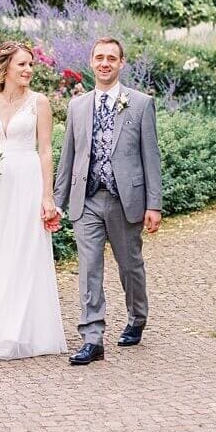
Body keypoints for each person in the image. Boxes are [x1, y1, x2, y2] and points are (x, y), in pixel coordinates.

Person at [53, 36, 163, 365]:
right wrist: (57, 201)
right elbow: (68, 157)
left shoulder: (140, 103)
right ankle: (92, 337)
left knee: (130, 267)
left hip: (124, 199)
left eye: (111, 58)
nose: (105, 63)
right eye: (99, 57)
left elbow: (151, 157)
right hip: (85, 200)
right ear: (91, 62)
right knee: (88, 269)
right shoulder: (77, 106)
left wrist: (153, 204)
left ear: (121, 63)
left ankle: (137, 317)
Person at [0, 41, 67, 359]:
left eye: (31, 65)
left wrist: (48, 196)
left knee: (23, 251)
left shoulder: (40, 103)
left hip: (26, 183)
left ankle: (16, 331)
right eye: (22, 64)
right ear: (4, 68)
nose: (28, 70)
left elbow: (46, 150)